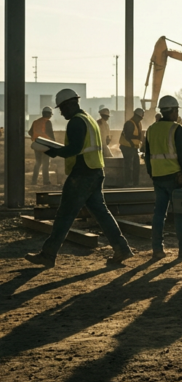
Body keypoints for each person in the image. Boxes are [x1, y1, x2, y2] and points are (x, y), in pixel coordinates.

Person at [24, 89, 134, 268]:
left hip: (82, 174)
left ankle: (48, 254)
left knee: (65, 214)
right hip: (95, 171)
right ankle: (122, 248)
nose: (61, 112)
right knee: (101, 213)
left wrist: (50, 151)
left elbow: (73, 149)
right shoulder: (88, 119)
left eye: (62, 108)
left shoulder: (76, 122)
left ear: (70, 104)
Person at [144, 96, 182, 260]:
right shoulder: (176, 129)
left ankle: (157, 249)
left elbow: (147, 156)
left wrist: (152, 174)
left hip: (158, 178)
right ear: (173, 111)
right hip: (175, 178)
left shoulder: (151, 129)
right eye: (177, 110)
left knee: (159, 214)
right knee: (180, 214)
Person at [30, 106, 55, 185]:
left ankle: (34, 181)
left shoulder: (35, 122)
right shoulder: (47, 122)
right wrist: (53, 143)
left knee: (38, 163)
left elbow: (30, 132)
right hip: (45, 144)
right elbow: (50, 133)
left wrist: (35, 137)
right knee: (46, 163)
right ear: (49, 114)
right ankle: (46, 181)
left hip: (37, 144)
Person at [120, 108, 144, 187]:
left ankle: (135, 182)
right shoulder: (129, 123)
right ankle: (128, 182)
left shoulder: (138, 123)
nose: (140, 119)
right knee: (129, 165)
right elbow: (128, 136)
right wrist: (135, 141)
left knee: (136, 165)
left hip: (133, 147)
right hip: (127, 147)